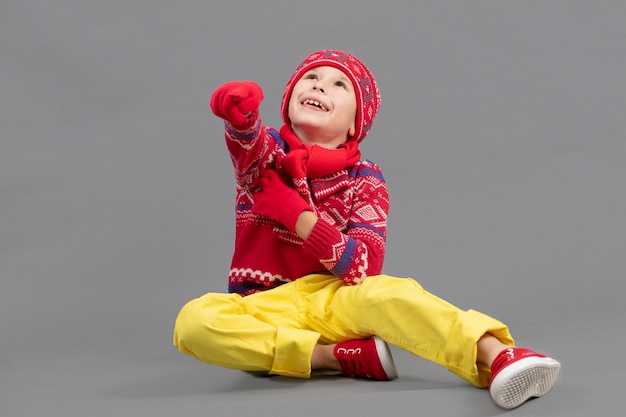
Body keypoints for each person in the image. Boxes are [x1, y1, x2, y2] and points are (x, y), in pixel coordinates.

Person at [173, 50, 560, 409]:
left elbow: (363, 267)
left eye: (339, 84)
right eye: (310, 77)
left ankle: (498, 356)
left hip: (333, 299)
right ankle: (329, 357)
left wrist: (297, 215)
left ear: (356, 123)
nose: (320, 85)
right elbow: (247, 145)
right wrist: (238, 117)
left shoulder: (366, 177)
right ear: (289, 101)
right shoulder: (267, 156)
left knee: (392, 292)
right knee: (195, 321)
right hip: (263, 306)